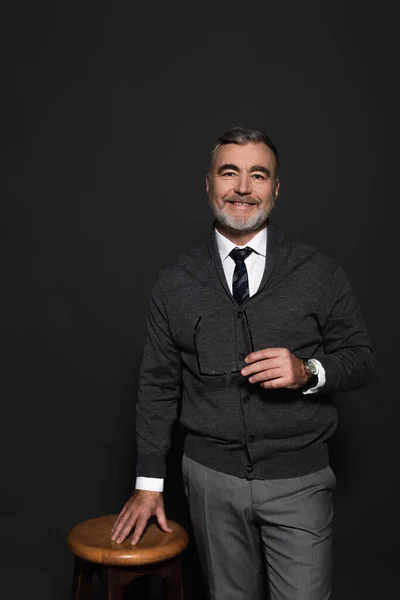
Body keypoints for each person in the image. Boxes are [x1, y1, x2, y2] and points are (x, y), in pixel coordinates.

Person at [111, 127, 374, 599]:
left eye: (259, 175)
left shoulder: (319, 271)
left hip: (300, 480)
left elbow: (361, 358)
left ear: (275, 188)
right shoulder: (175, 281)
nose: (243, 188)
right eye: (229, 172)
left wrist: (307, 371)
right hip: (209, 482)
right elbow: (157, 385)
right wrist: (148, 484)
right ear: (209, 183)